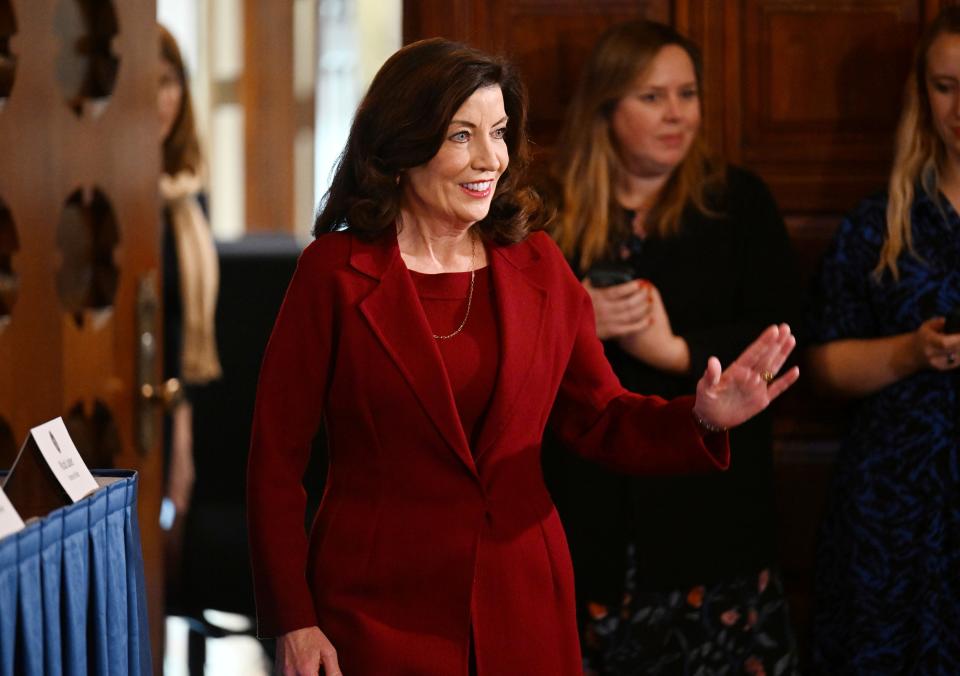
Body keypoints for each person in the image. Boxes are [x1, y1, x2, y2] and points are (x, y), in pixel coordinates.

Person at [246, 37, 799, 676]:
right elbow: (274, 462)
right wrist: (293, 617)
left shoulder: (538, 263)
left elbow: (600, 418)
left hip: (524, 603)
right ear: (402, 146)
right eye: (461, 136)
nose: (491, 159)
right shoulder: (334, 273)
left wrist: (702, 417)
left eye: (500, 132)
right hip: (373, 610)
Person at [542, 20, 800, 675]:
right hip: (582, 517)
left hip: (711, 525)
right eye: (652, 97)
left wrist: (677, 350)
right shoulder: (544, 209)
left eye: (687, 94)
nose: (677, 113)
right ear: (606, 107)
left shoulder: (736, 203)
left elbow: (792, 337)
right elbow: (495, 349)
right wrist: (572, 320)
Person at [806, 7, 960, 673]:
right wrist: (911, 351)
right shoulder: (880, 223)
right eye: (947, 85)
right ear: (922, 94)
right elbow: (821, 366)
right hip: (894, 511)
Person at [157, 25, 221, 561]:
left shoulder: (187, 189)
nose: (161, 98)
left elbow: (186, 320)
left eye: (170, 81)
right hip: (135, 394)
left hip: (181, 395)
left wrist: (183, 427)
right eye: (148, 84)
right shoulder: (121, 196)